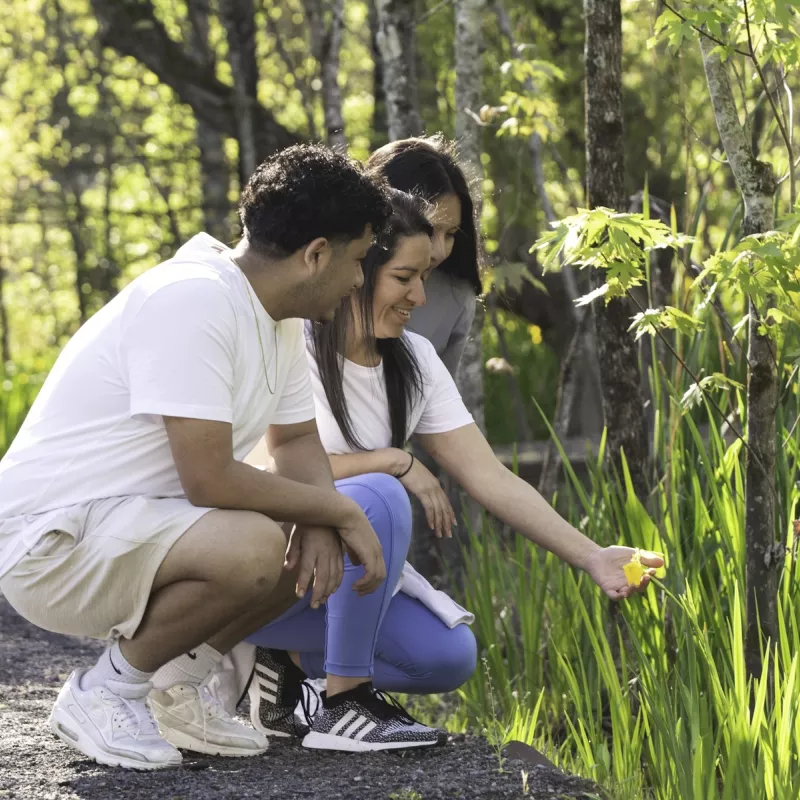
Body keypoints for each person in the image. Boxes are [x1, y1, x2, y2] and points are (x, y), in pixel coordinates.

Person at [0, 144, 393, 770]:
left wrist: (321, 519)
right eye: (358, 259)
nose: (357, 280)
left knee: (297, 540)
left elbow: (292, 442)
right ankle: (105, 692)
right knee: (256, 546)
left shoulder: (279, 317)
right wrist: (337, 510)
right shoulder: (194, 298)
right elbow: (208, 477)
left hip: (132, 525)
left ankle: (173, 687)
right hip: (49, 544)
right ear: (316, 253)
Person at [243, 189, 662, 753]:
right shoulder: (295, 342)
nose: (419, 294)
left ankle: (274, 666)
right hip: (265, 557)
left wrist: (590, 555)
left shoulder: (413, 361)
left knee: (445, 657)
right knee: (382, 495)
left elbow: (490, 477)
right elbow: (277, 468)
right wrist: (395, 461)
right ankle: (343, 704)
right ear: (356, 270)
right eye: (403, 277)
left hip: (337, 571)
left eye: (423, 279)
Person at [366, 135, 481, 377]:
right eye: (429, 230)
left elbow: (442, 405)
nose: (439, 252)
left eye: (450, 234)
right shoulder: (331, 281)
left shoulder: (456, 297)